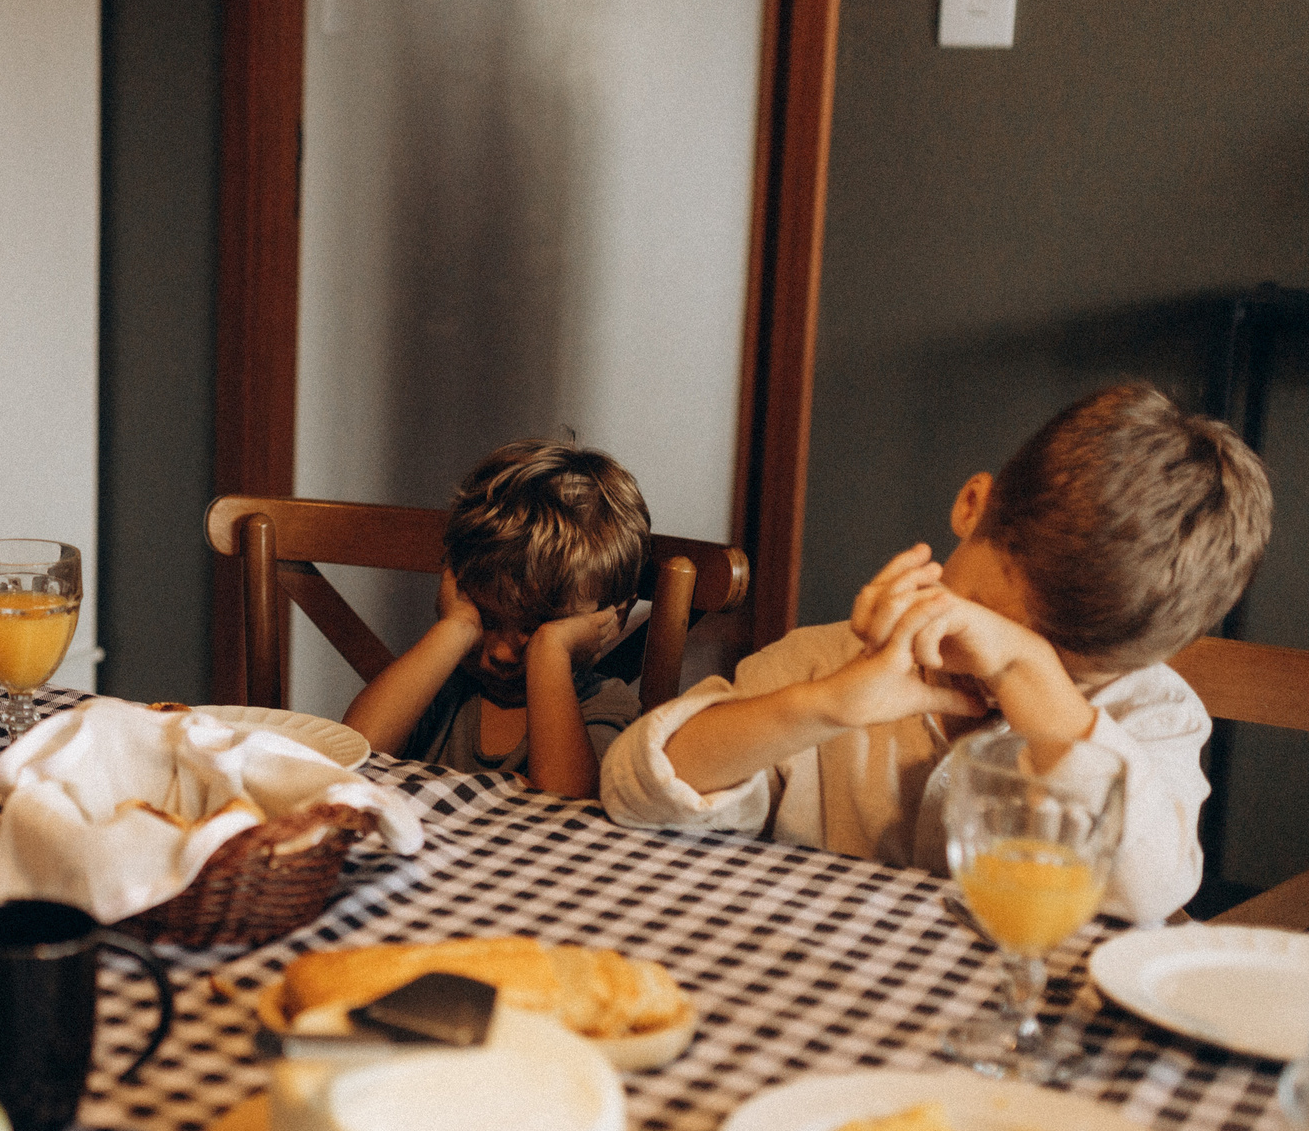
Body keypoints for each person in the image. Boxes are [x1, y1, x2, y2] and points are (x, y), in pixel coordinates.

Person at [600, 384, 1271, 926]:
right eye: (984, 624)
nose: (991, 672)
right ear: (972, 506)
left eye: (1058, 672)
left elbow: (1150, 891)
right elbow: (633, 788)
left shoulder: (1150, 713)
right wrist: (825, 706)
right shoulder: (831, 666)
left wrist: (1031, 676)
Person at [343, 442, 648, 798]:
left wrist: (549, 651)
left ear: (616, 616)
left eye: (535, 627)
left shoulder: (605, 705)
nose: (502, 653)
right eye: (487, 618)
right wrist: (456, 627)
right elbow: (346, 760)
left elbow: (565, 807)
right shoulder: (441, 686)